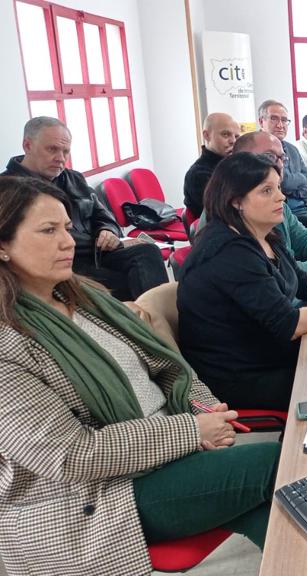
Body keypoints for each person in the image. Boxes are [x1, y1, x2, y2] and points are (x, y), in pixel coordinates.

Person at [0, 176, 279, 575]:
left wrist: (202, 407)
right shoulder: (7, 345)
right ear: (3, 246)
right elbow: (70, 455)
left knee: (278, 505)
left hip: (158, 456)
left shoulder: (83, 298)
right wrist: (191, 430)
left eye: (66, 227)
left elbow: (167, 368)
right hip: (86, 500)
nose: (67, 241)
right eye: (48, 231)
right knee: (273, 466)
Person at [177, 153, 307, 410]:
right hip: (242, 375)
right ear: (236, 201)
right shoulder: (229, 253)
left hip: (268, 352)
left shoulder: (263, 234)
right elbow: (289, 324)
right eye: (266, 191)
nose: (281, 197)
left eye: (278, 188)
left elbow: (301, 281)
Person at [2, 117, 166, 300]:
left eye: (66, 151)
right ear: (27, 145)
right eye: (52, 149)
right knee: (129, 282)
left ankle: (157, 319)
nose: (60, 159)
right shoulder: (9, 189)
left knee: (148, 253)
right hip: (65, 264)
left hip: (98, 254)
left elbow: (102, 213)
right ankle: (148, 322)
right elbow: (37, 240)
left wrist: (107, 230)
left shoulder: (73, 178)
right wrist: (108, 243)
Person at [231, 131, 307, 277]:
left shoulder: (277, 203)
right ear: (240, 160)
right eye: (269, 156)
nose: (279, 164)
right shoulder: (231, 212)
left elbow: (303, 236)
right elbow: (265, 275)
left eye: (282, 158)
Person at [258, 99, 307, 226]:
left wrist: (295, 192)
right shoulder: (257, 148)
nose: (280, 125)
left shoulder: (292, 149)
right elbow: (283, 181)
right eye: (274, 119)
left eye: (284, 120)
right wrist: (300, 179)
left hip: (304, 205)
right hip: (287, 213)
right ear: (261, 121)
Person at [183, 112, 240, 219]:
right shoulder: (199, 175)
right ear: (207, 135)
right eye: (225, 134)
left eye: (236, 136)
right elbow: (227, 214)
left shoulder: (234, 165)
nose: (233, 141)